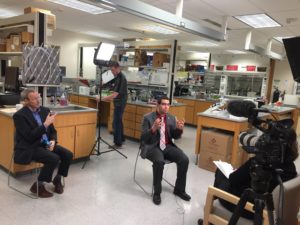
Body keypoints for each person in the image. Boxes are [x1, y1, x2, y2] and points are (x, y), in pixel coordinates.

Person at [197, 128, 298, 225]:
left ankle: (210, 214)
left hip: (246, 208)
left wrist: (246, 166)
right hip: (269, 210)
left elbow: (233, 179)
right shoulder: (291, 167)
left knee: (220, 172)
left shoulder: (260, 163)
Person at [13, 89, 73, 198]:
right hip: (30, 146)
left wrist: (53, 141)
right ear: (26, 101)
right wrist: (45, 124)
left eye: (38, 98)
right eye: (34, 99)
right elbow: (29, 137)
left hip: (46, 143)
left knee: (68, 154)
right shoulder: (19, 116)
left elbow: (53, 131)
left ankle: (57, 179)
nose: (38, 101)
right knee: (53, 158)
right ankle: (38, 186)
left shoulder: (45, 110)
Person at [140, 96, 191, 205]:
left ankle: (179, 190)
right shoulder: (148, 118)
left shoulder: (171, 118)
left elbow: (175, 136)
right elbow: (144, 138)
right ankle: (157, 192)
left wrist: (179, 129)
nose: (166, 107)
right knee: (159, 162)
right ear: (157, 105)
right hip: (152, 146)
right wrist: (153, 129)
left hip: (167, 146)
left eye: (168, 104)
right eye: (163, 104)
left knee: (184, 159)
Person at [97, 61, 127, 149]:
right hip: (118, 101)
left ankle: (118, 143)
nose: (112, 72)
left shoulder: (121, 78)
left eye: (113, 70)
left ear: (118, 68)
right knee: (119, 121)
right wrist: (104, 82)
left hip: (120, 102)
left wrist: (101, 98)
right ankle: (121, 139)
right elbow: (110, 83)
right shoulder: (117, 76)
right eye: (111, 70)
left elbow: (115, 95)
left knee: (116, 122)